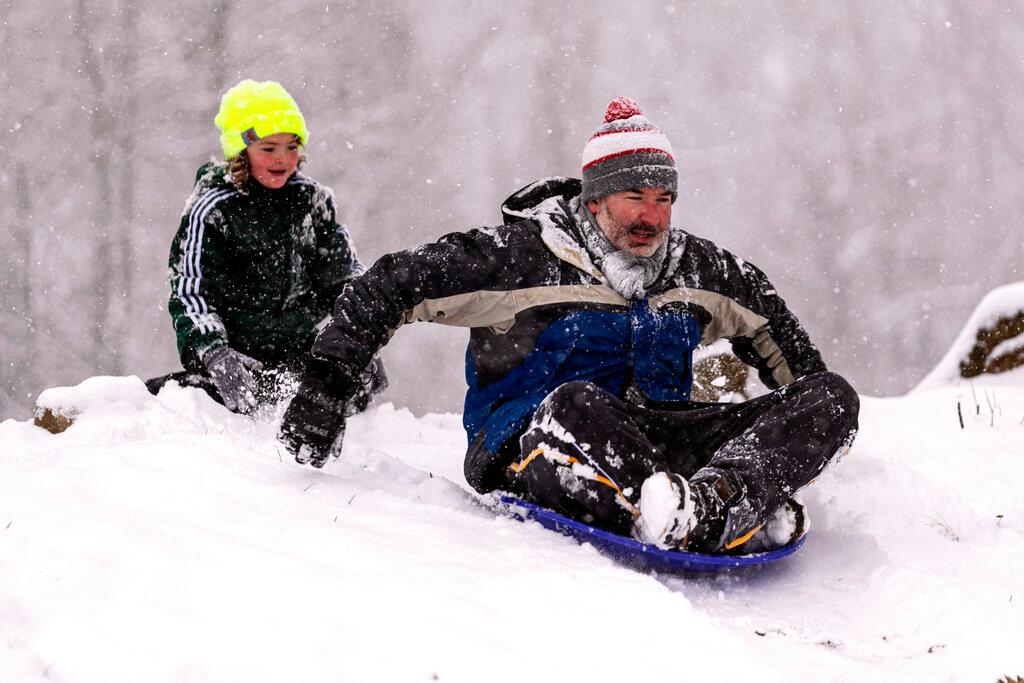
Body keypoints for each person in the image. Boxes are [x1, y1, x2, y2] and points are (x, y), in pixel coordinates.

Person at [278, 97, 859, 554]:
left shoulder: (697, 270)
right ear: (597, 198)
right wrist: (326, 388)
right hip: (536, 442)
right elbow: (389, 284)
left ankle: (716, 502)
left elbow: (779, 339)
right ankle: (707, 512)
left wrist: (790, 432)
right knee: (574, 402)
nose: (651, 216)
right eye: (635, 197)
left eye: (663, 199)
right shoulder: (520, 259)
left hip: (665, 448)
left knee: (832, 399)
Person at [147, 79, 386, 415]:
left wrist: (361, 340)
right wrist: (214, 353)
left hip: (296, 352)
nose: (282, 159)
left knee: (340, 388)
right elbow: (191, 293)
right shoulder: (214, 210)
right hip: (235, 355)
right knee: (197, 402)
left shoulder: (311, 202)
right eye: (268, 148)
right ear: (241, 151)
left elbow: (345, 280)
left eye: (292, 147)